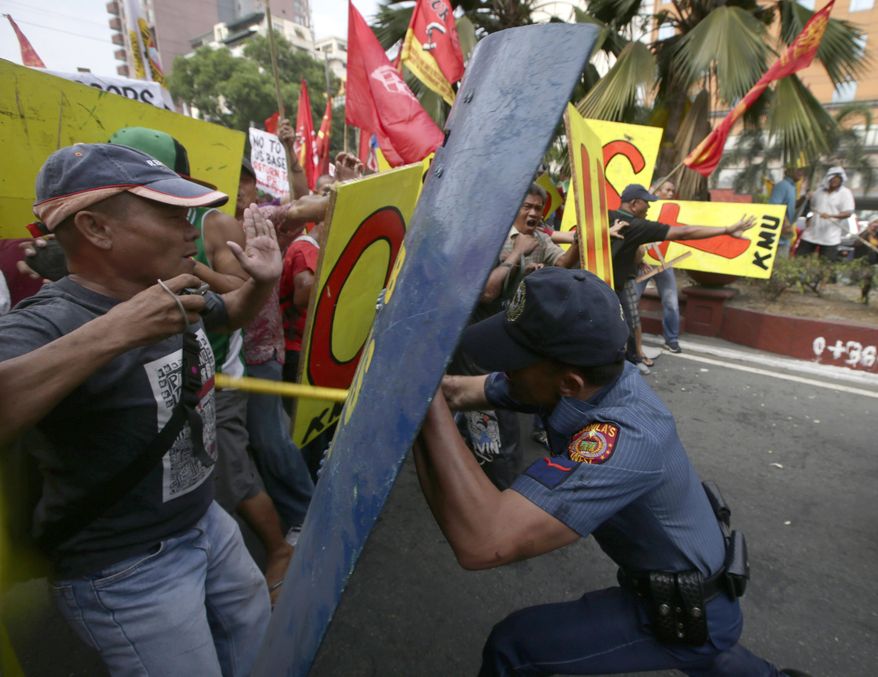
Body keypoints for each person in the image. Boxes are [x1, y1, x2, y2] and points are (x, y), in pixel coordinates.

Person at [415, 267, 810, 677]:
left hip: (687, 610)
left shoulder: (624, 437)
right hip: (691, 591)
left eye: (516, 362)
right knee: (718, 659)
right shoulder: (590, 375)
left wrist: (420, 405)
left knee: (515, 647)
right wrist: (420, 380)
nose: (507, 371)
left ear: (569, 382)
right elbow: (458, 390)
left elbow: (483, 541)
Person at [0, 143, 283, 675]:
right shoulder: (49, 319)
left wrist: (262, 283)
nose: (189, 230)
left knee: (257, 645)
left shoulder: (172, 285)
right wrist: (119, 329)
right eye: (171, 214)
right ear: (96, 229)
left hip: (205, 521)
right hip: (127, 568)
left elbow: (230, 314)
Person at [450, 184, 580, 489]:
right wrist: (517, 255)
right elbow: (485, 292)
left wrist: (581, 243)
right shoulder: (492, 239)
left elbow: (562, 264)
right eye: (528, 207)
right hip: (474, 348)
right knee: (495, 422)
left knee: (484, 416)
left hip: (506, 347)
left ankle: (467, 468)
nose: (534, 213)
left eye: (539, 208)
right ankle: (497, 491)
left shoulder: (541, 241)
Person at [610, 184, 754, 371]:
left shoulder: (606, 217)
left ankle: (633, 356)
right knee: (629, 320)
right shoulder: (636, 225)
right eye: (647, 203)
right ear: (635, 204)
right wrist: (726, 230)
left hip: (598, 281)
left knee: (625, 319)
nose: (650, 207)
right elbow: (684, 232)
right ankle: (630, 361)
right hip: (618, 284)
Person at [637, 179, 683, 355]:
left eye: (673, 190)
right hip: (643, 262)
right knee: (632, 301)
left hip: (665, 263)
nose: (671, 194)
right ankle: (626, 338)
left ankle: (671, 340)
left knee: (671, 302)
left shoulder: (675, 210)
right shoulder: (645, 209)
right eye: (667, 190)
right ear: (657, 190)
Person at [797, 166, 855, 261]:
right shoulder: (819, 191)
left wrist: (831, 216)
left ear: (841, 180)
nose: (834, 182)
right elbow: (813, 206)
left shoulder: (845, 193)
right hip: (811, 234)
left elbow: (848, 213)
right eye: (832, 179)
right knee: (800, 260)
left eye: (837, 180)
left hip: (830, 237)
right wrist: (809, 196)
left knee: (826, 265)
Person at [768, 167, 806, 258]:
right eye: (798, 169)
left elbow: (789, 206)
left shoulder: (792, 187)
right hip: (778, 237)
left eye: (802, 170)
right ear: (787, 170)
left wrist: (803, 199)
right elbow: (774, 207)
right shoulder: (782, 185)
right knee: (778, 267)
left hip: (785, 236)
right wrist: (785, 224)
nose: (800, 173)